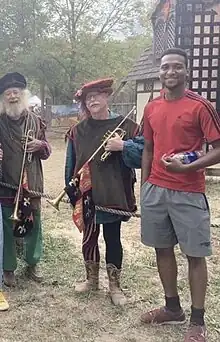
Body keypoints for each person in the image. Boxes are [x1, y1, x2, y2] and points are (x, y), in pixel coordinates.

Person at [140, 47, 220, 342]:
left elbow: (217, 148)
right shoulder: (151, 107)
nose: (170, 72)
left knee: (195, 255)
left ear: (187, 71)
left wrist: (188, 168)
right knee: (162, 249)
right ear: (158, 72)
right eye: (165, 67)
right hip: (156, 190)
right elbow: (148, 147)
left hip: (189, 192)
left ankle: (197, 320)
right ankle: (172, 308)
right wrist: (145, 184)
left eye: (176, 67)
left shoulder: (200, 106)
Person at [65, 78, 143, 305]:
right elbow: (71, 163)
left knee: (112, 238)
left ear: (107, 96)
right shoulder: (77, 131)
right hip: (87, 192)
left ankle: (115, 286)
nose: (92, 101)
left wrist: (123, 146)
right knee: (88, 238)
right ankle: (91, 280)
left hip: (114, 191)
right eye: (88, 98)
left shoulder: (128, 126)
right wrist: (71, 191)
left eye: (97, 95)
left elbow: (141, 157)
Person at [0, 72, 51, 287]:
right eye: (8, 93)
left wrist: (40, 146)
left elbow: (47, 151)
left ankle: (32, 263)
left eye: (16, 92)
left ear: (23, 95)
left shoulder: (36, 121)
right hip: (6, 182)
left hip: (32, 182)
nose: (12, 96)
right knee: (8, 225)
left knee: (34, 223)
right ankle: (9, 268)